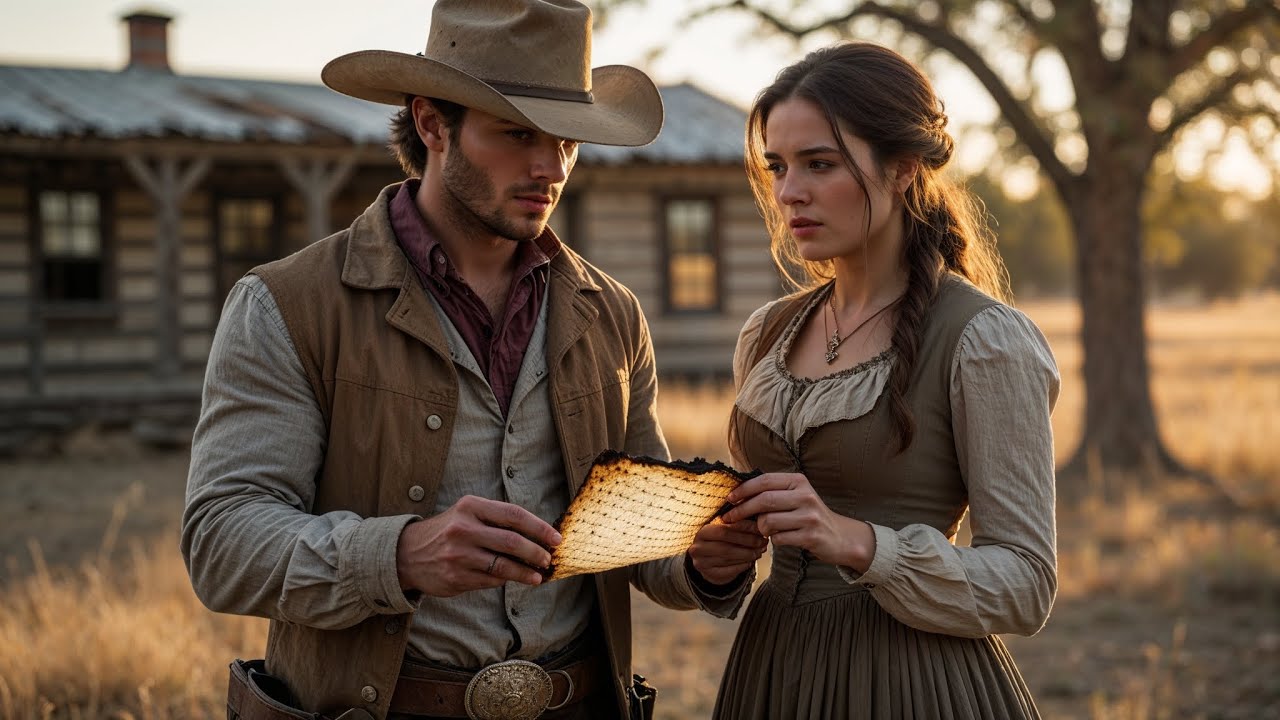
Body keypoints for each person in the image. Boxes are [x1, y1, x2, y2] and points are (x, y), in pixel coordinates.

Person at [181, 2, 757, 719]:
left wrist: (704, 558)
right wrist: (401, 554)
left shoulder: (612, 313)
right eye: (518, 134)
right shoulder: (286, 303)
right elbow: (222, 542)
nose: (550, 166)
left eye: (567, 140)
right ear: (431, 124)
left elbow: (637, 543)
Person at [692, 42, 1061, 719]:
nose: (788, 192)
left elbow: (1026, 587)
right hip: (772, 671)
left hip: (914, 682)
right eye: (777, 166)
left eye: (819, 164)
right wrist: (721, 555)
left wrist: (859, 544)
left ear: (903, 170)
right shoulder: (767, 334)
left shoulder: (982, 340)